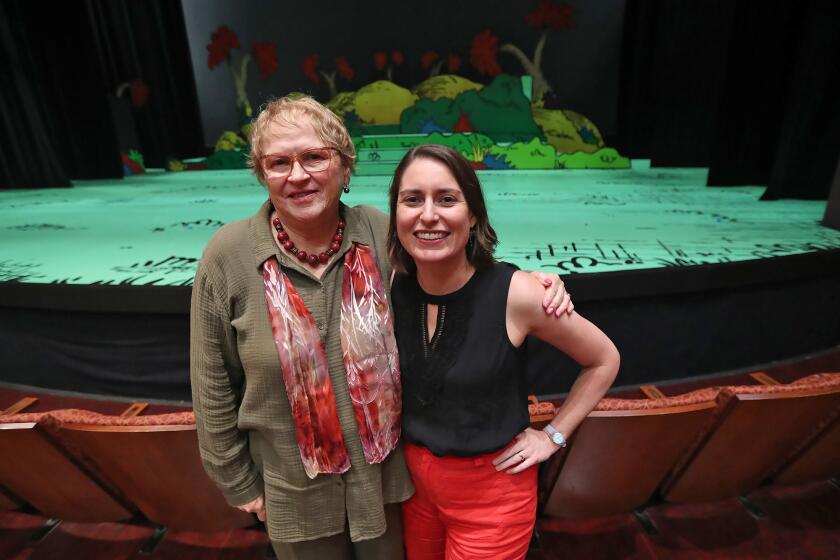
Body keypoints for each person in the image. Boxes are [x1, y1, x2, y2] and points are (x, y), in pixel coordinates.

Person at [190, 96, 572, 559]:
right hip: (293, 495)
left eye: (314, 157)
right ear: (261, 174)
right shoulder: (227, 256)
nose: (297, 175)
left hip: (387, 492)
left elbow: (456, 265)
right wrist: (238, 483)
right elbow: (212, 386)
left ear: (344, 168)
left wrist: (536, 282)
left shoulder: (380, 234)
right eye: (278, 163)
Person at [387, 144, 620, 560]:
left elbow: (604, 359)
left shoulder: (517, 293)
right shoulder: (394, 284)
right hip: (415, 488)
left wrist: (554, 435)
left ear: (472, 214)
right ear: (396, 214)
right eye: (412, 199)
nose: (427, 214)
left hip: (492, 495)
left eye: (446, 199)